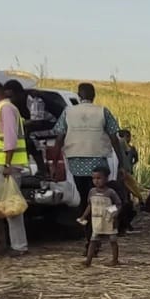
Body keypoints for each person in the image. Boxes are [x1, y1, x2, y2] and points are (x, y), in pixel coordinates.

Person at [53, 82, 128, 215]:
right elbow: (114, 138)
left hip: (75, 159)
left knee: (84, 195)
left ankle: (86, 224)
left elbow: (59, 138)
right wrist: (122, 163)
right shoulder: (102, 111)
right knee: (100, 194)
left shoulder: (68, 112)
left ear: (79, 95)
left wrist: (53, 163)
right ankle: (99, 223)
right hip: (98, 159)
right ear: (94, 95)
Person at [0, 81, 29, 255]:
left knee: (12, 206)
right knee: (7, 205)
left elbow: (10, 139)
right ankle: (14, 244)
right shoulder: (3, 109)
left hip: (8, 166)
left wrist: (7, 164)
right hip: (3, 165)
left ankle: (19, 246)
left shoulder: (6, 109)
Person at [78, 166, 122, 267]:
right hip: (96, 220)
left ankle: (115, 260)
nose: (96, 181)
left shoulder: (110, 192)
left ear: (106, 178)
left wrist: (114, 214)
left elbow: (118, 204)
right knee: (93, 240)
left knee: (113, 240)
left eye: (99, 178)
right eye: (94, 178)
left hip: (109, 220)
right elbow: (90, 205)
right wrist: (84, 216)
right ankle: (88, 260)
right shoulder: (92, 192)